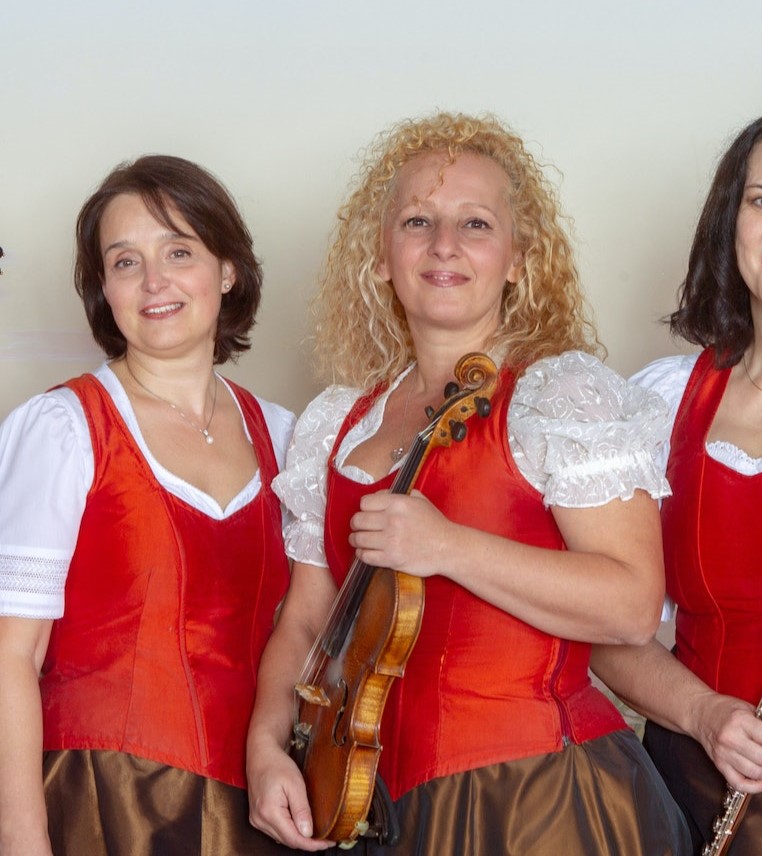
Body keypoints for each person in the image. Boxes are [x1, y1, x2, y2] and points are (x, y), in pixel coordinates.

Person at [244, 113, 692, 854]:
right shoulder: (337, 425)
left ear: (518, 259)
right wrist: (266, 747)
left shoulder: (561, 395)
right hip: (373, 805)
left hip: (542, 803)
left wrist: (448, 546)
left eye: (475, 223)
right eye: (418, 220)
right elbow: (305, 619)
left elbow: (630, 607)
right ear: (382, 257)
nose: (444, 245)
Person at [0, 155, 297, 855]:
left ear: (228, 269)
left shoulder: (285, 437)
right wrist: (25, 841)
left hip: (255, 811)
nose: (155, 282)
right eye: (125, 262)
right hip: (100, 799)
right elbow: (8, 656)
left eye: (179, 251)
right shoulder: (61, 429)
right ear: (104, 290)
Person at [591, 112, 762, 853]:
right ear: (731, 222)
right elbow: (599, 624)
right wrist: (703, 714)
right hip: (695, 787)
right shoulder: (661, 403)